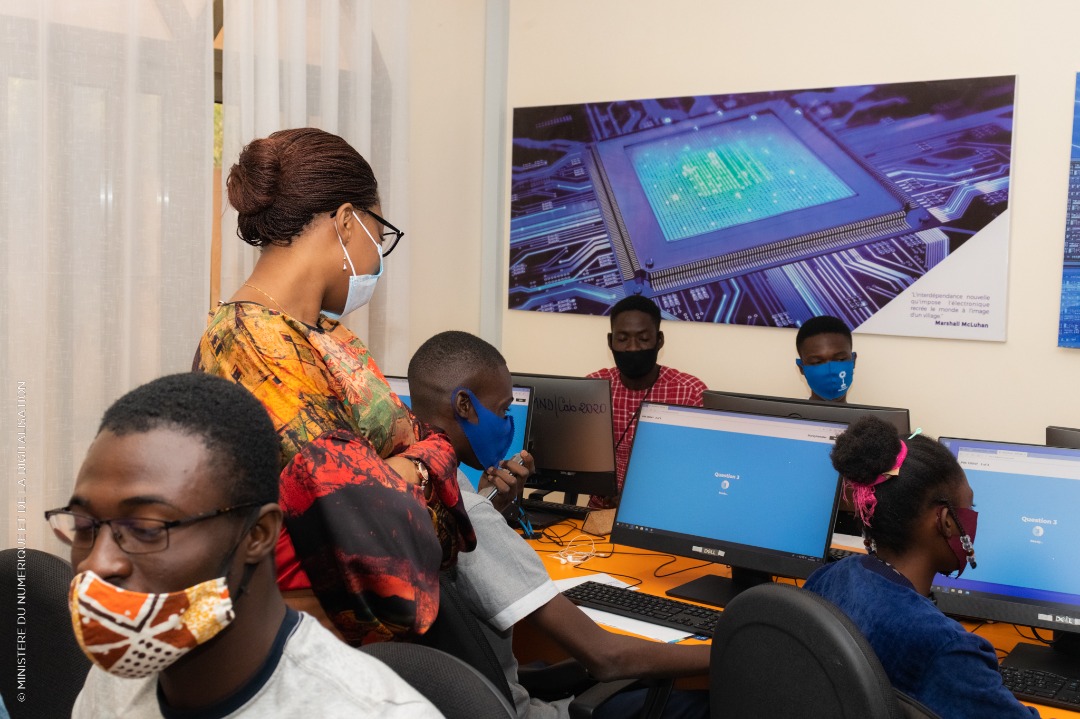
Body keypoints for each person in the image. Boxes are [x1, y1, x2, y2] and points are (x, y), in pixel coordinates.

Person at [194, 128, 473, 645]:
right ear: (347, 223)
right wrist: (423, 463)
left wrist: (407, 468)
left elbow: (418, 454)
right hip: (316, 638)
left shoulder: (325, 332)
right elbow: (364, 521)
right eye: (378, 232)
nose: (379, 258)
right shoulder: (253, 345)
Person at [52, 373, 442, 718]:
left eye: (147, 528)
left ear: (258, 535)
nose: (95, 564)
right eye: (85, 526)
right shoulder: (115, 678)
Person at [408, 331, 710, 719]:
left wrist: (495, 508)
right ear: (464, 405)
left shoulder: (406, 483)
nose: (506, 424)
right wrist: (729, 650)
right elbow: (608, 659)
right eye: (502, 411)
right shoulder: (468, 511)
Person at [804, 417, 1038, 718]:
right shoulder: (946, 649)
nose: (972, 519)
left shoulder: (828, 578)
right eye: (969, 509)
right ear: (945, 521)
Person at [588, 295, 707, 508]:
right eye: (622, 339)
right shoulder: (592, 389)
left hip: (665, 513)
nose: (632, 348)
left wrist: (637, 495)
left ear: (659, 340)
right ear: (610, 341)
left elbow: (701, 470)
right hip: (598, 517)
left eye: (643, 339)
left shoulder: (690, 393)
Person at [795, 315, 856, 403]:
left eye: (840, 359)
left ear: (853, 361)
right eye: (816, 362)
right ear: (801, 368)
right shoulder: (780, 415)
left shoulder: (871, 416)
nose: (830, 370)